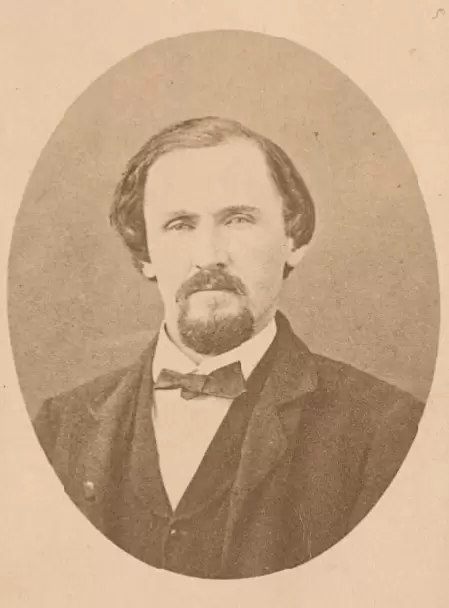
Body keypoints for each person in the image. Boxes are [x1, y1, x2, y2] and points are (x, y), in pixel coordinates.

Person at [33, 116, 424, 579]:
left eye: (238, 219)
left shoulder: (385, 431)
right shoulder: (59, 428)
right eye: (179, 225)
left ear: (293, 240)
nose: (209, 255)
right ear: (145, 255)